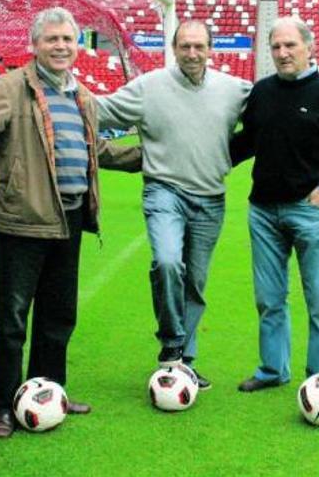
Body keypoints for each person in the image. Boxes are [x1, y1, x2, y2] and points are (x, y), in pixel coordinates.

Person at [0, 7, 142, 438]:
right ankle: (2, 405)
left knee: (59, 314)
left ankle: (49, 391)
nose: (61, 46)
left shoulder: (82, 96)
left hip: (70, 218)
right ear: (35, 45)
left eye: (68, 39)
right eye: (52, 39)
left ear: (78, 47)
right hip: (23, 219)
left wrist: (150, 159)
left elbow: (100, 152)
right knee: (13, 318)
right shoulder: (9, 89)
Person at [94, 21, 251, 390]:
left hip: (211, 198)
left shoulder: (234, 90)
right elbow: (100, 110)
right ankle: (172, 346)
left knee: (194, 281)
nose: (192, 53)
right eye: (185, 46)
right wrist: (59, 94)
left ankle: (185, 362)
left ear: (212, 49)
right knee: (166, 261)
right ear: (174, 48)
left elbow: (273, 112)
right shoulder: (149, 88)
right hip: (165, 192)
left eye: (199, 46)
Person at [229, 16, 319, 393]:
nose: (282, 53)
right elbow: (247, 144)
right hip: (263, 212)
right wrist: (201, 159)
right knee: (269, 299)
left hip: (311, 211)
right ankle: (273, 370)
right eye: (276, 46)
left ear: (309, 47)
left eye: (290, 45)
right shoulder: (262, 93)